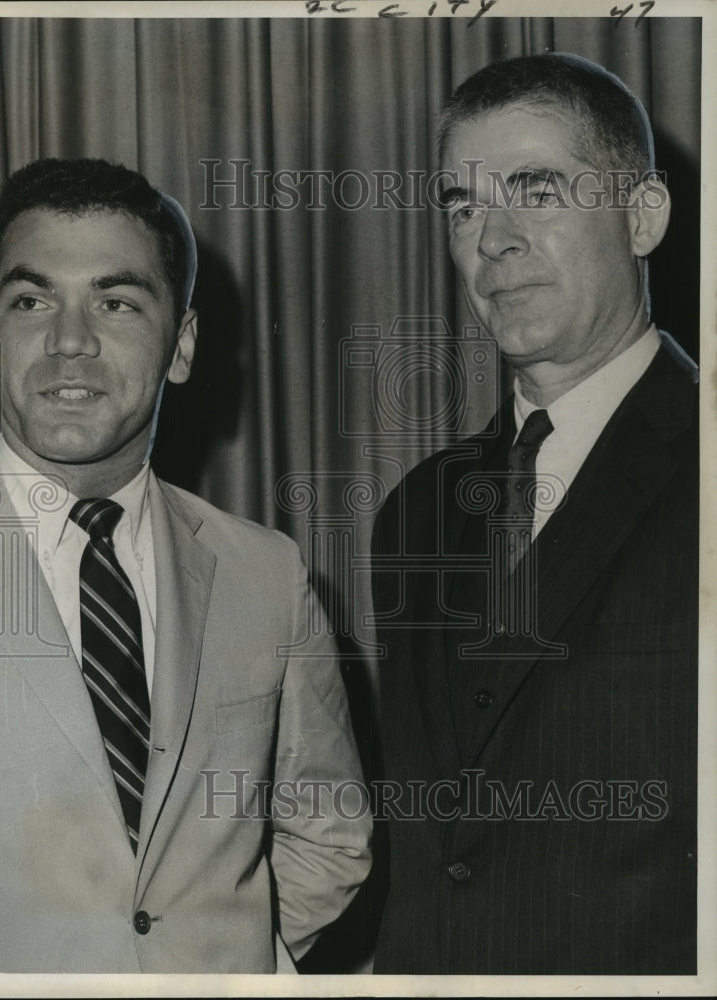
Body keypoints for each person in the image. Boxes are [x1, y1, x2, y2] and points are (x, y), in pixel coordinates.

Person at [0, 157, 371, 973]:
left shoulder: (266, 573)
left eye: (116, 301)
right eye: (31, 301)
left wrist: (228, 964)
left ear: (182, 345)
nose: (70, 341)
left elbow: (330, 828)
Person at [371, 54, 698, 975]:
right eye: (463, 205)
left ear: (643, 216)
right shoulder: (417, 511)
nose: (494, 239)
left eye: (537, 190)